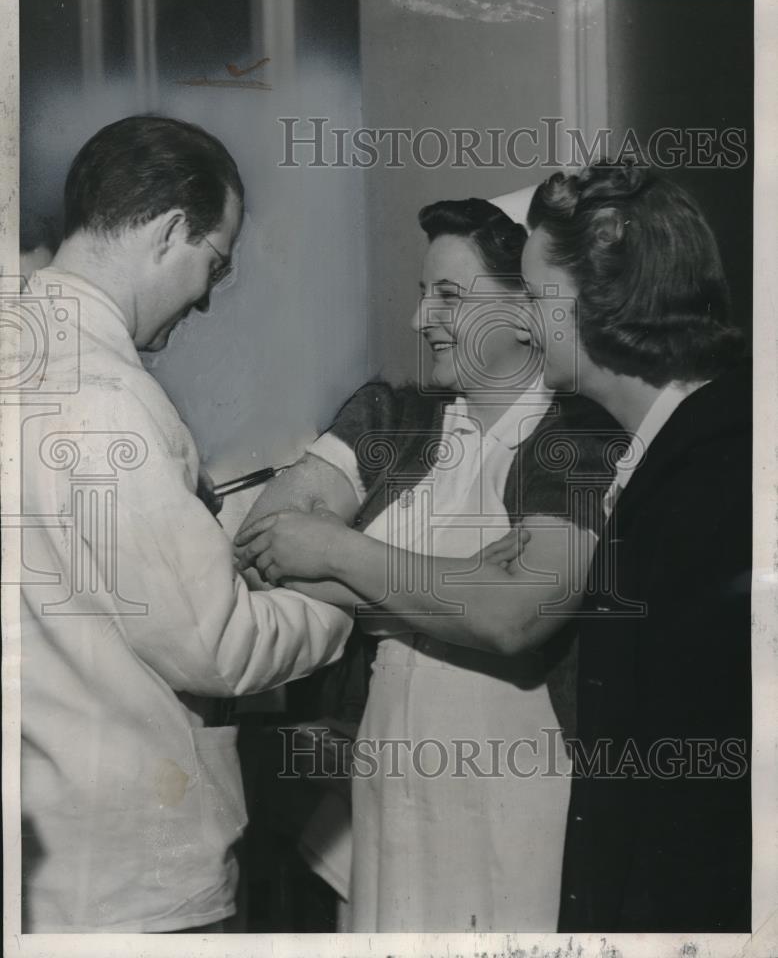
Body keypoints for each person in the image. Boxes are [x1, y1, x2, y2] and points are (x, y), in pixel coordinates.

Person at [235, 195, 625, 931]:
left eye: (449, 295)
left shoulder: (578, 438)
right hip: (387, 775)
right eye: (423, 294)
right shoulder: (390, 419)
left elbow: (514, 619)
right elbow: (261, 547)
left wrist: (340, 550)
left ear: (526, 309)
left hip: (519, 791)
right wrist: (462, 589)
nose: (421, 320)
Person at [18, 115, 353, 933]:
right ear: (171, 230)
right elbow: (219, 646)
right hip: (137, 889)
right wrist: (345, 592)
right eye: (214, 264)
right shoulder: (110, 400)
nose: (205, 297)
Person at [519, 162, 751, 931]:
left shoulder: (719, 482)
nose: (522, 323)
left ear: (597, 300)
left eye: (533, 296)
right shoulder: (682, 451)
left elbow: (702, 806)